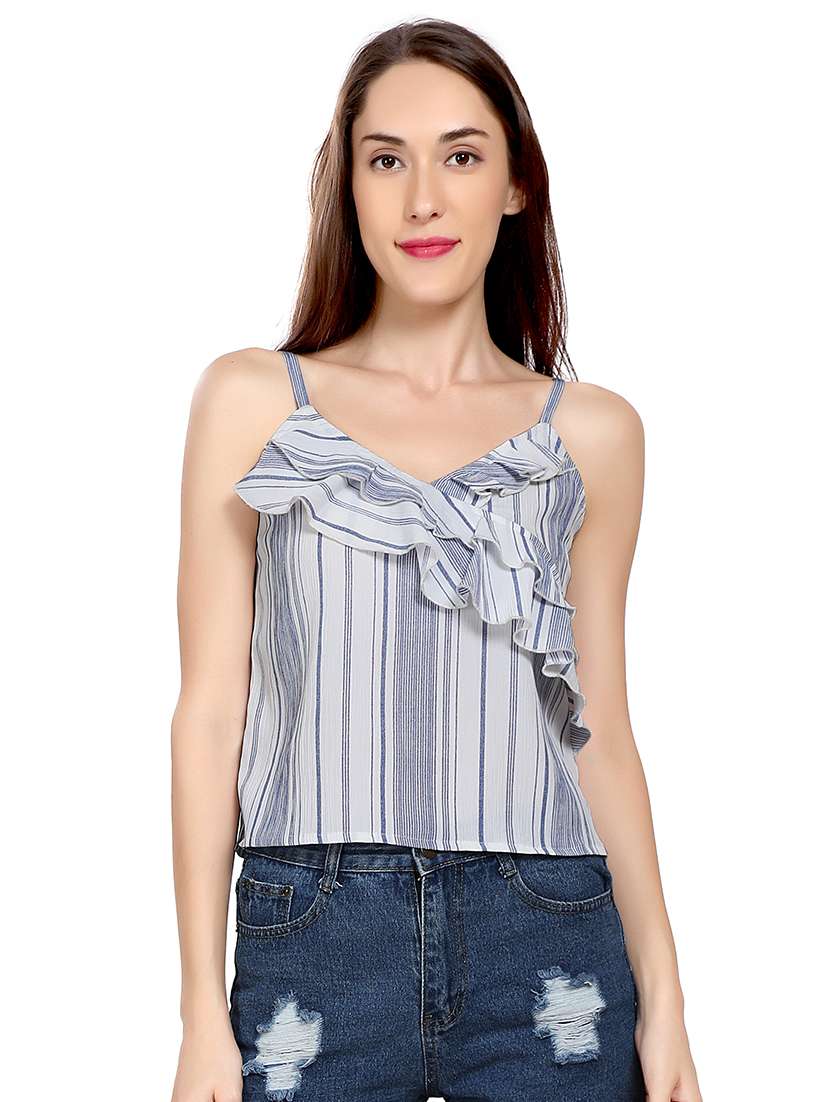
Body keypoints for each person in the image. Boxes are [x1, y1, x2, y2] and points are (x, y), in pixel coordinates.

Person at [170, 18, 702, 1102]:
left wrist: (668, 1001)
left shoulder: (592, 435)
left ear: (514, 185)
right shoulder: (253, 402)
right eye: (386, 160)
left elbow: (598, 727)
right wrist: (197, 1013)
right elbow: (210, 715)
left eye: (460, 155)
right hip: (313, 939)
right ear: (349, 187)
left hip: (548, 934)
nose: (422, 199)